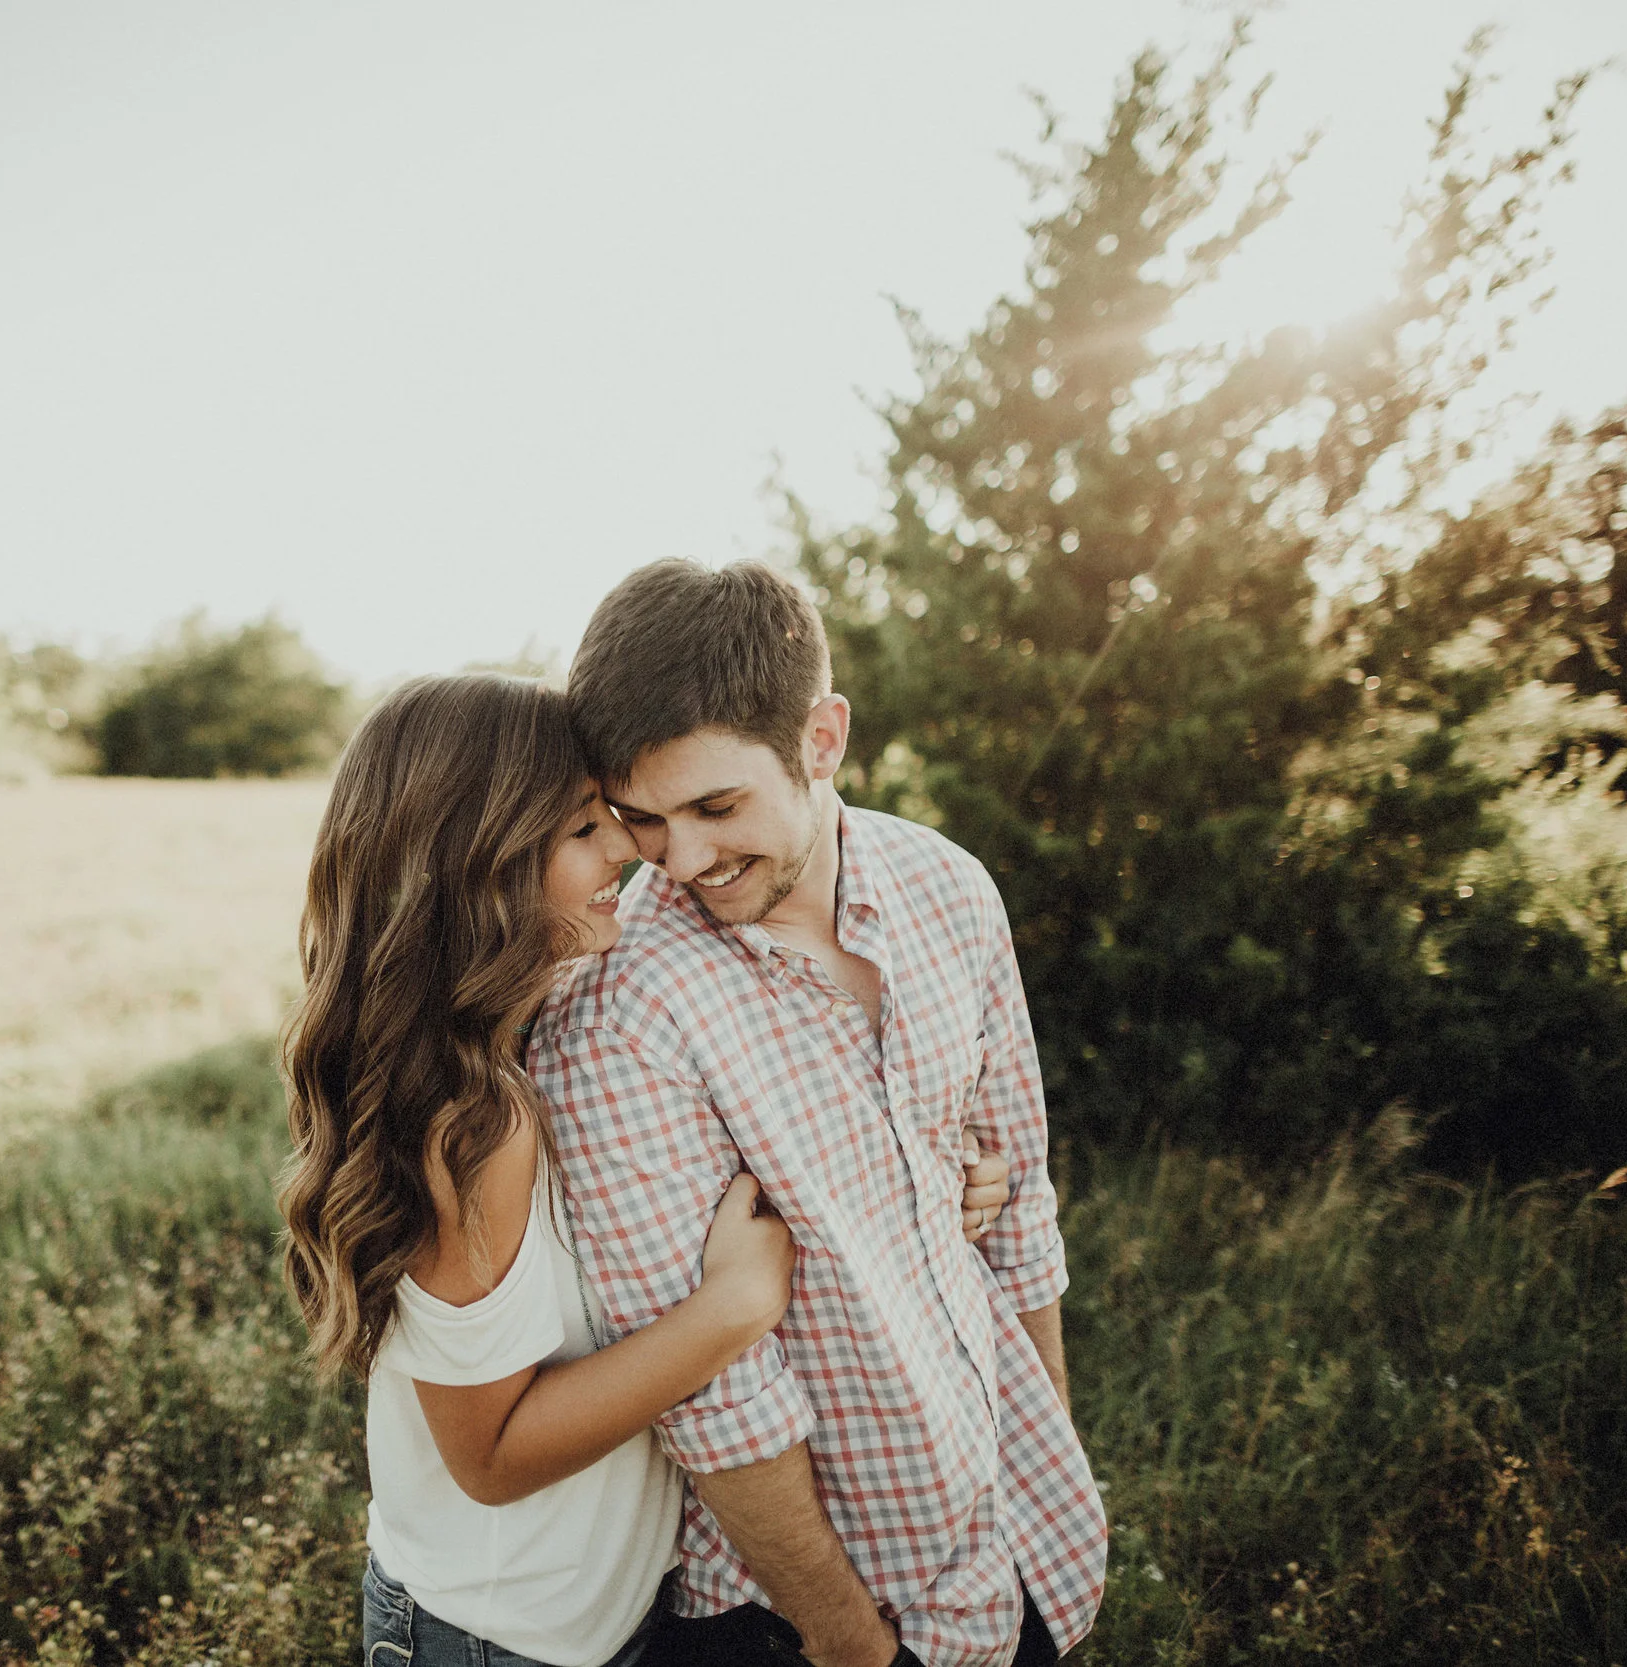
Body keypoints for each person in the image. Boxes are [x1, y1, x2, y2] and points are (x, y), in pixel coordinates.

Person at [275, 675, 1011, 1667]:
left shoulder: (537, 1015)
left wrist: (941, 1166)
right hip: (496, 1634)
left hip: (601, 1614)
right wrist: (729, 1310)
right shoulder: (472, 1124)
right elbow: (489, 1457)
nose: (628, 848)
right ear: (478, 864)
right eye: (586, 828)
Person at [529, 560, 1109, 1667]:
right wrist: (845, 1635)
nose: (683, 860)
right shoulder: (617, 1009)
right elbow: (708, 1386)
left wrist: (1058, 1465)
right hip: (803, 1617)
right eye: (643, 820)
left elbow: (1019, 1209)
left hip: (1025, 1540)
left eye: (716, 805)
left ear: (822, 738)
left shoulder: (949, 887)